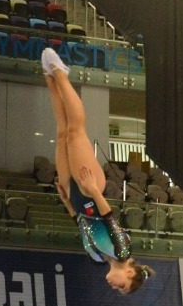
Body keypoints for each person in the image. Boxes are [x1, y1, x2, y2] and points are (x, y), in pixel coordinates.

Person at [42, 47, 155, 293]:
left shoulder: (97, 257)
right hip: (91, 192)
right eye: (122, 286)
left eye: (118, 290)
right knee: (75, 132)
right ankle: (61, 73)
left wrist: (68, 203)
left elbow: (82, 224)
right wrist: (93, 191)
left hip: (75, 198)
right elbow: (109, 219)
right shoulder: (123, 251)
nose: (115, 287)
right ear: (129, 272)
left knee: (62, 134)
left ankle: (50, 79)